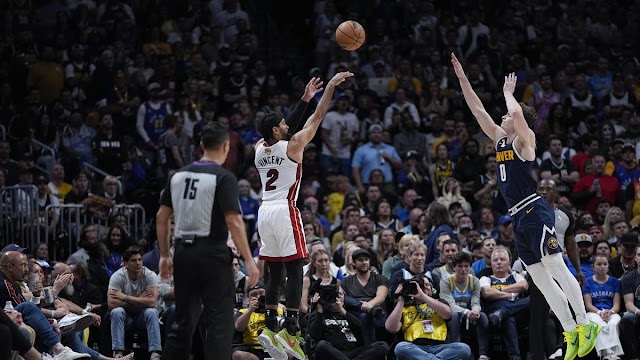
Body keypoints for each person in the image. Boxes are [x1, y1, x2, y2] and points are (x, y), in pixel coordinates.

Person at [452, 53, 599, 360]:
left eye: (506, 116)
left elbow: (518, 116)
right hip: (518, 217)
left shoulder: (525, 141)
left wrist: (509, 95)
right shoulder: (499, 140)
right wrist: (462, 77)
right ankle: (571, 330)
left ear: (518, 121)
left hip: (536, 211)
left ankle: (586, 324)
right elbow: (477, 109)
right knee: (542, 282)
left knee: (557, 268)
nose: (502, 118)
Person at [254, 71, 353, 360]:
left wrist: (304, 98)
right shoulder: (295, 146)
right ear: (276, 130)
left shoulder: (259, 148)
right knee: (297, 268)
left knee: (274, 271)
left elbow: (286, 129)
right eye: (282, 124)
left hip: (264, 212)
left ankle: (271, 327)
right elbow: (316, 119)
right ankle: (293, 332)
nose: (287, 124)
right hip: (285, 209)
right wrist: (328, 90)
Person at [156, 121, 260, 360]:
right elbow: (234, 221)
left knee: (183, 322)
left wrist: (164, 255)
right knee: (220, 322)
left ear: (201, 146)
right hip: (212, 253)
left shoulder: (178, 175)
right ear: (226, 147)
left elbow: (162, 217)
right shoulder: (224, 177)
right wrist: (248, 260)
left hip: (182, 252)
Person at [384, 274, 472, 360]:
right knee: (400, 347)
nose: (424, 288)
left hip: (440, 347)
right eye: (421, 285)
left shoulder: (439, 302)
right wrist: (400, 300)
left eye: (427, 285)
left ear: (432, 288)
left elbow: (447, 314)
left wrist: (423, 296)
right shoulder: (404, 308)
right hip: (415, 348)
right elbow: (391, 328)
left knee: (464, 348)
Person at [307, 284, 389, 360]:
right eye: (335, 294)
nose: (338, 297)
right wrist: (319, 311)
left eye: (340, 294)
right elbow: (314, 336)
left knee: (382, 346)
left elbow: (361, 329)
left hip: (353, 352)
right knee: (321, 345)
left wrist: (342, 311)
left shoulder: (348, 313)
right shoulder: (319, 314)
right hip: (333, 352)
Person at [582, 254, 623, 360]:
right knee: (600, 324)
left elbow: (617, 305)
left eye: (605, 264)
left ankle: (613, 354)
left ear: (608, 266)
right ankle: (606, 353)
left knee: (613, 323)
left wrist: (610, 312)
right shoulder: (587, 282)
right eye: (599, 264)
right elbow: (588, 305)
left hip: (611, 312)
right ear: (593, 267)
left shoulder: (615, 282)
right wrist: (599, 313)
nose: (602, 266)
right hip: (594, 312)